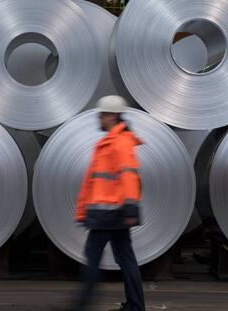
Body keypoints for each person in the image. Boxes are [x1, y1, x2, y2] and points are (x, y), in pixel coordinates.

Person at [73, 95, 145, 311]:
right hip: (112, 213)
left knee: (92, 257)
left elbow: (129, 176)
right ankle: (135, 306)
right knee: (126, 259)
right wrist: (84, 211)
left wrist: (131, 208)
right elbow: (95, 181)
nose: (99, 119)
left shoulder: (119, 142)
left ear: (112, 116)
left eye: (102, 114)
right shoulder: (111, 142)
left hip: (110, 214)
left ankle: (80, 305)